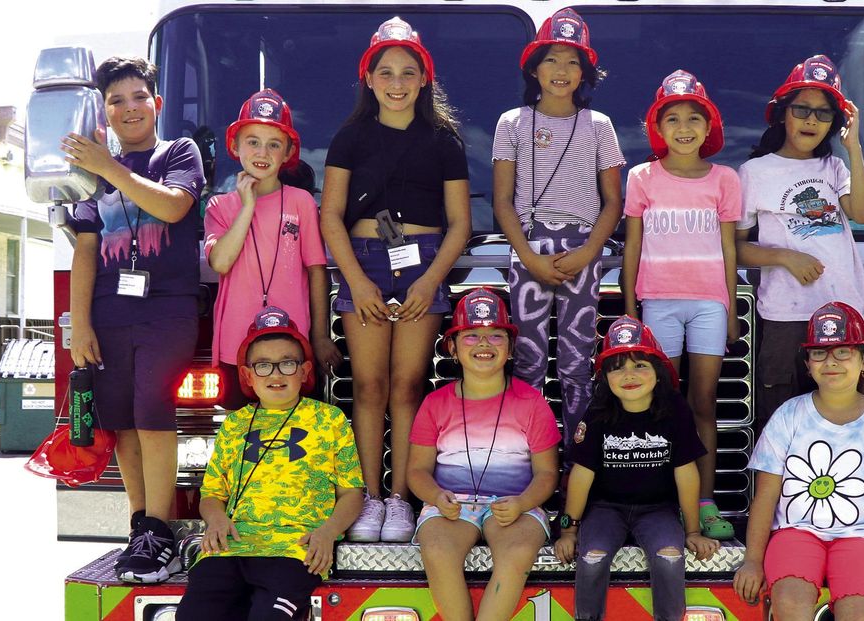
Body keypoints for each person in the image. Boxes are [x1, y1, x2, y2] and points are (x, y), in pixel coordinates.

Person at [319, 16, 471, 543]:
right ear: (369, 78)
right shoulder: (349, 137)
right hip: (363, 261)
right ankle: (367, 499)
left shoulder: (445, 140)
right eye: (387, 71)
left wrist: (431, 281)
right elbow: (330, 216)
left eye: (409, 72)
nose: (398, 82)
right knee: (368, 386)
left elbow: (461, 225)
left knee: (408, 386)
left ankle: (401, 501)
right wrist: (356, 282)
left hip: (423, 263)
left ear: (425, 78)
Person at [61, 56, 205, 583]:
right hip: (108, 310)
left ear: (157, 104)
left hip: (166, 310)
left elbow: (171, 208)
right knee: (121, 423)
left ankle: (162, 532)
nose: (128, 108)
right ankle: (140, 528)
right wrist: (80, 325)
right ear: (103, 112)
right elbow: (84, 250)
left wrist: (109, 169)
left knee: (152, 415)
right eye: (115, 100)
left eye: (138, 97)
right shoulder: (91, 173)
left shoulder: (179, 153)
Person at [734, 302, 864, 620]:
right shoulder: (788, 416)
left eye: (842, 352)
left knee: (860, 612)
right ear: (807, 364)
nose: (830, 362)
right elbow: (765, 495)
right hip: (795, 533)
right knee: (789, 602)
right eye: (819, 353)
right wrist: (752, 559)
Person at [176, 307, 364, 620]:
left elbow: (352, 493)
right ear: (248, 375)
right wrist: (217, 520)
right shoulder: (235, 424)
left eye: (287, 364)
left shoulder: (329, 419)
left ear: (304, 372)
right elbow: (211, 495)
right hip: (231, 547)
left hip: (295, 550)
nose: (275, 374)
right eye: (263, 365)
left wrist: (328, 532)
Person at [492, 7, 625, 449]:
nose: (561, 70)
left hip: (582, 247)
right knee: (527, 360)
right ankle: (528, 457)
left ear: (586, 71)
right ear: (533, 67)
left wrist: (588, 252)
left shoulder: (599, 126)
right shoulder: (511, 122)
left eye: (572, 61)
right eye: (551, 59)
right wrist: (528, 256)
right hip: (528, 247)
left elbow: (613, 201)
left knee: (576, 362)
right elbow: (502, 200)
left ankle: (578, 462)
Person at [621, 69, 741, 541]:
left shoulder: (725, 179)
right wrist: (630, 309)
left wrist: (730, 308)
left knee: (703, 403)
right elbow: (632, 246)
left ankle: (705, 502)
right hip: (658, 302)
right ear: (659, 127)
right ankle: (664, 503)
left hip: (709, 302)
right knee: (661, 405)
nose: (684, 126)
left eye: (694, 117)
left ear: (709, 127)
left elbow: (730, 249)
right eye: (673, 118)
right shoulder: (642, 177)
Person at [734, 54, 864, 433]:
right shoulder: (754, 173)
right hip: (786, 318)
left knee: (844, 424)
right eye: (802, 109)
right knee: (781, 421)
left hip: (845, 313)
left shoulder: (835, 167)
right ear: (783, 114)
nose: (812, 119)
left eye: (824, 113)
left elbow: (862, 212)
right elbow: (732, 247)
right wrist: (783, 257)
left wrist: (855, 147)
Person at [408, 288, 560, 621]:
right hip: (451, 504)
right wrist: (436, 495)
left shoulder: (531, 403)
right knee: (436, 550)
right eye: (471, 335)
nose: (484, 344)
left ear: (510, 349)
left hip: (515, 503)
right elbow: (416, 471)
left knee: (518, 551)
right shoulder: (435, 403)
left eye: (495, 336)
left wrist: (522, 503)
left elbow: (548, 474)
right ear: (451, 347)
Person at [554, 317, 719, 621]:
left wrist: (692, 530)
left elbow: (685, 471)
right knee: (592, 559)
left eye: (640, 365)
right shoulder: (599, 411)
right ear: (605, 377)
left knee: (669, 558)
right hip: (605, 508)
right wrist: (568, 529)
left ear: (659, 373)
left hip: (658, 510)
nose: (628, 375)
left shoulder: (675, 409)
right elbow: (581, 474)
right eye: (617, 367)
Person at [205, 88, 340, 410]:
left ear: (288, 152)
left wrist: (320, 336)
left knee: (293, 436)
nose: (262, 152)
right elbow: (221, 262)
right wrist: (247, 205)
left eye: (274, 144)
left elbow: (316, 271)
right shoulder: (220, 206)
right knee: (242, 435)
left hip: (293, 346)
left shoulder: (301, 202)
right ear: (235, 147)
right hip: (235, 345)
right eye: (252, 141)